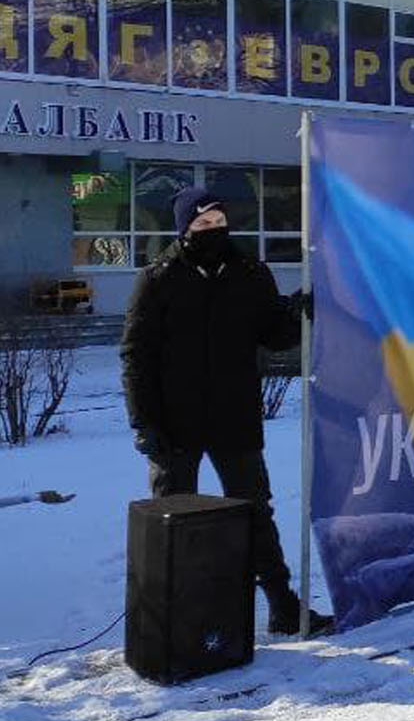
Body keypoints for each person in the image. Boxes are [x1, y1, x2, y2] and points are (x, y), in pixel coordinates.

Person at [120, 186, 333, 637]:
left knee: (255, 510)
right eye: (203, 224)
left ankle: (281, 605)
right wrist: (142, 423)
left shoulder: (250, 273)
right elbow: (135, 355)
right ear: (184, 229)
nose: (214, 230)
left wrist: (296, 313)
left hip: (234, 416)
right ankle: (171, 621)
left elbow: (272, 335)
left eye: (219, 222)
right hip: (173, 423)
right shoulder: (158, 279)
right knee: (173, 520)